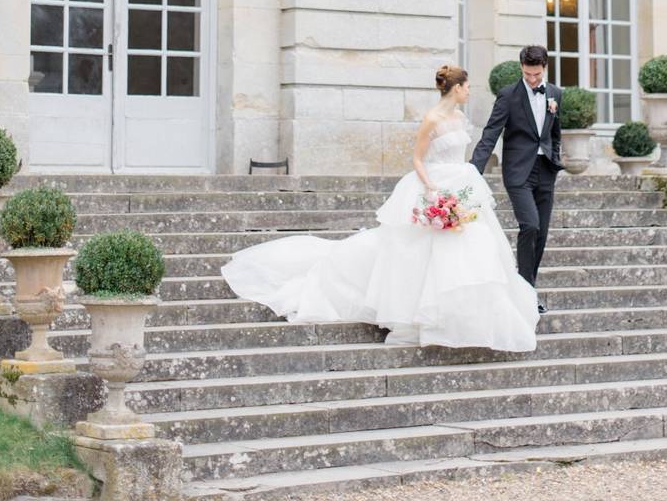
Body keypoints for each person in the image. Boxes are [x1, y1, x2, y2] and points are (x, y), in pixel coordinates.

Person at [221, 65, 539, 352]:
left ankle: (467, 317)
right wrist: (430, 188)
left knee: (471, 251)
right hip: (434, 186)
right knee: (418, 252)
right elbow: (417, 158)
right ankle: (421, 315)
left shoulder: (460, 118)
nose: (470, 92)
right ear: (456, 88)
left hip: (460, 184)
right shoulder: (432, 120)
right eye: (467, 87)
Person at [470, 45, 564, 311]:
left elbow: (555, 132)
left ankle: (527, 289)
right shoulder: (509, 95)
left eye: (536, 75)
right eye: (527, 74)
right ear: (521, 67)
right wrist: (473, 170)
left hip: (545, 170)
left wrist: (555, 158)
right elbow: (491, 133)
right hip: (518, 173)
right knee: (530, 226)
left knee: (542, 234)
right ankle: (527, 293)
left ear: (544, 68)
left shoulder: (555, 94)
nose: (532, 79)